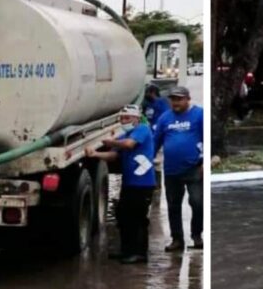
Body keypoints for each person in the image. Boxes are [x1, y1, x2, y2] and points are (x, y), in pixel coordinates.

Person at [86, 105, 156, 264]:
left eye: (127, 118)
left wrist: (111, 141)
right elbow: (113, 155)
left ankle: (139, 253)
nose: (123, 121)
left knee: (138, 218)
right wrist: (96, 154)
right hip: (130, 183)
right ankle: (127, 250)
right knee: (123, 216)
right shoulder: (125, 135)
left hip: (143, 184)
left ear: (136, 119)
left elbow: (129, 145)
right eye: (122, 118)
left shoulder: (142, 130)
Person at [153, 85, 204, 252]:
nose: (176, 102)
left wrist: (205, 162)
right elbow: (155, 142)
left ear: (188, 99)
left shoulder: (199, 114)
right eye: (173, 99)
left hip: (194, 168)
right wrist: (147, 162)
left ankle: (196, 235)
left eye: (179, 99)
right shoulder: (165, 118)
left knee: (197, 203)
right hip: (171, 171)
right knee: (173, 205)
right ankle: (177, 239)